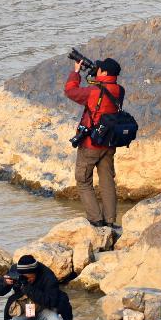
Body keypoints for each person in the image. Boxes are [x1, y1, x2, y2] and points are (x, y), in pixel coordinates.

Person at [64, 57, 124, 229]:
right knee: (107, 181)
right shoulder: (119, 90)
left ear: (104, 72)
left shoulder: (94, 92)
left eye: (100, 69)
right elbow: (103, 88)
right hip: (109, 143)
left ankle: (96, 220)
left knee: (83, 181)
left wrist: (76, 72)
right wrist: (94, 75)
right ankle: (110, 221)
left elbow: (70, 91)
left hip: (91, 144)